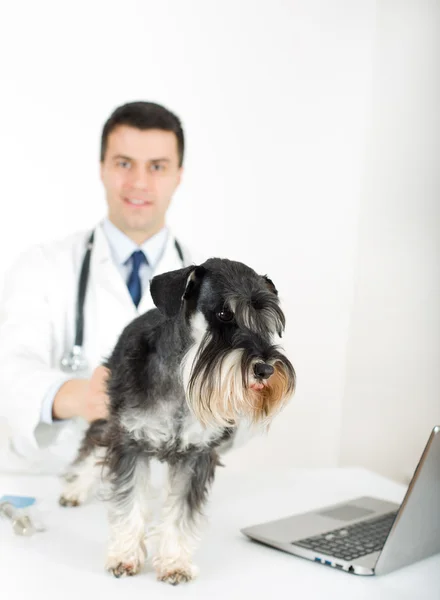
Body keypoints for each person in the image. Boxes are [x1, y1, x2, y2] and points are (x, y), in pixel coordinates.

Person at [0, 101, 201, 473]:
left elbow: (234, 424)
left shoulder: (212, 288)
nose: (139, 182)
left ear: (178, 176)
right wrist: (77, 396)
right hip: (54, 486)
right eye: (124, 164)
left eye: (157, 167)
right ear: (102, 169)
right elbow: (8, 370)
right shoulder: (41, 266)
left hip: (157, 491)